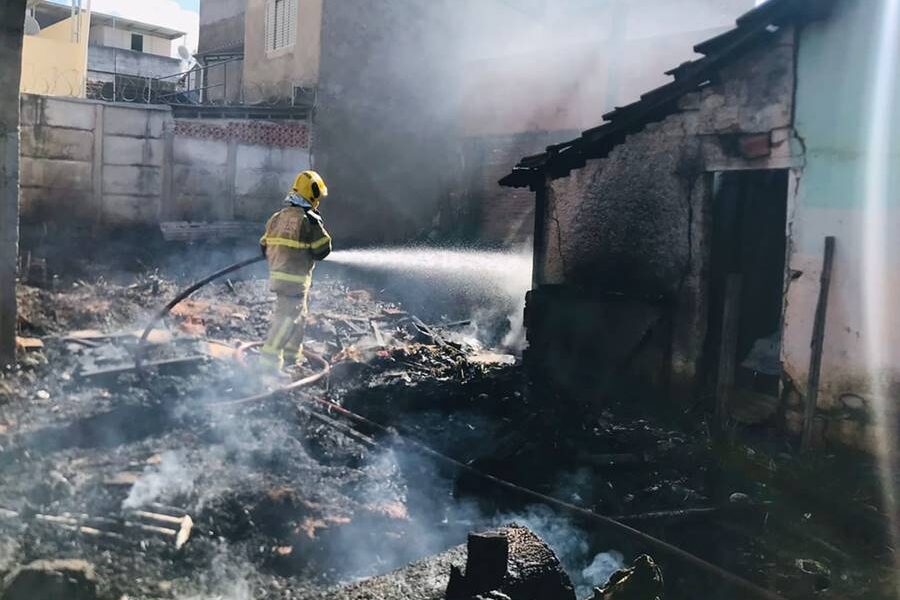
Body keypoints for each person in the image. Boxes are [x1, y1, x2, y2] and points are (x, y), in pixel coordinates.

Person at [259, 170, 332, 371]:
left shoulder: (276, 217)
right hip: (295, 281)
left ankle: (292, 359)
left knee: (299, 317)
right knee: (287, 321)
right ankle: (268, 366)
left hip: (279, 278)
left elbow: (264, 245)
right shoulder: (309, 220)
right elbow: (322, 250)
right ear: (313, 195)